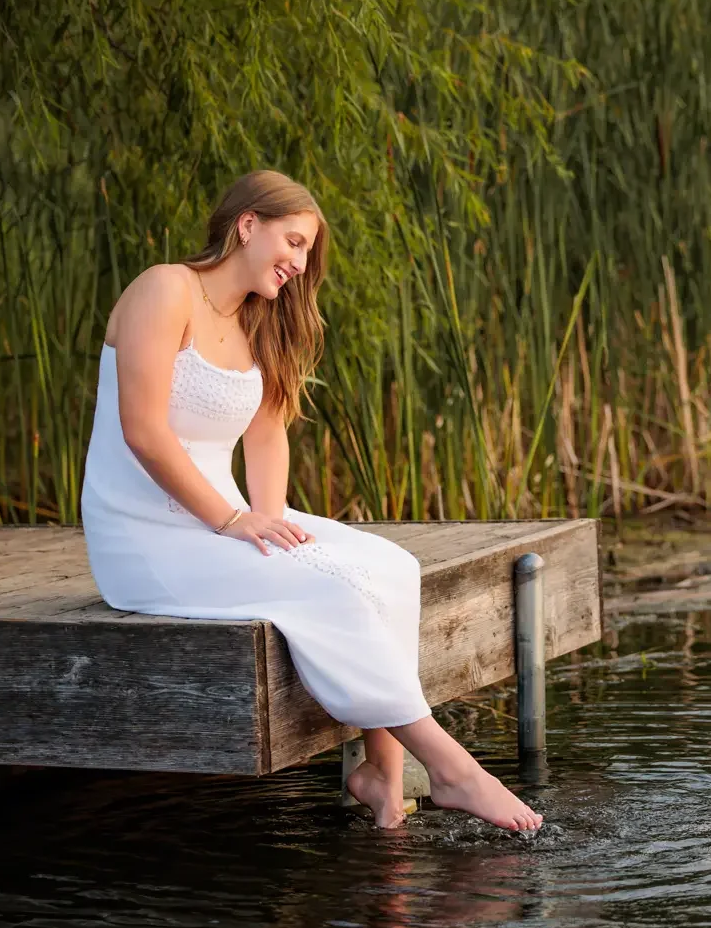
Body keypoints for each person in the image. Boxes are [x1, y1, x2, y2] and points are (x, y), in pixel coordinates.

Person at [80, 169, 542, 832]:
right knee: (332, 591)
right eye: (292, 242)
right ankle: (451, 769)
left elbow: (267, 436)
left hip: (223, 521)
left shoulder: (255, 320)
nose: (299, 263)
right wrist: (233, 519)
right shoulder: (165, 290)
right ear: (247, 225)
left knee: (390, 568)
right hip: (144, 538)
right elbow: (143, 431)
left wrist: (273, 519)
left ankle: (380, 771)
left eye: (306, 251)